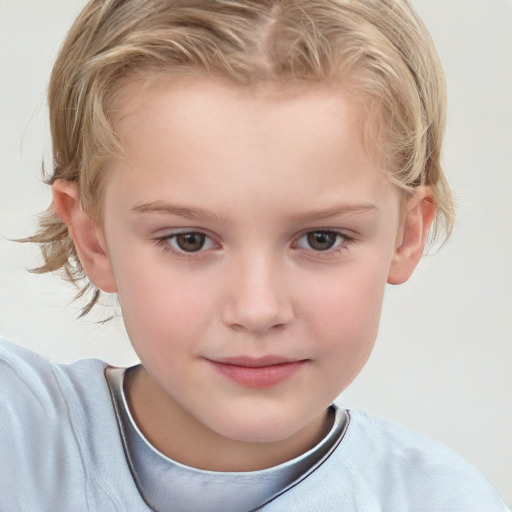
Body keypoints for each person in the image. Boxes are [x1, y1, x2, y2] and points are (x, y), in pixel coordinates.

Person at [0, 0, 508, 510]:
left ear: (405, 235)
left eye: (321, 239)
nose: (258, 310)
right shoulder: (19, 437)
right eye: (189, 240)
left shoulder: (442, 500)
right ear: (93, 238)